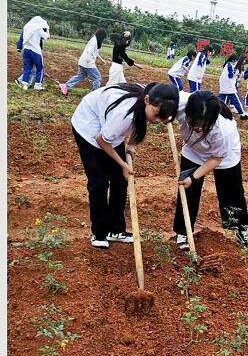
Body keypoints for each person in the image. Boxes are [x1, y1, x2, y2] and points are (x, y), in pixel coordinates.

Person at [70, 82, 179, 248]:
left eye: (162, 118)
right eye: (156, 115)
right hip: (89, 126)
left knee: (120, 180)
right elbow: (102, 140)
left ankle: (116, 229)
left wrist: (129, 145)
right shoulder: (124, 114)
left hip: (108, 125)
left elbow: (135, 122)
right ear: (147, 100)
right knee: (99, 182)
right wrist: (122, 164)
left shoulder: (152, 97)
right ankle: (99, 233)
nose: (157, 120)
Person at [172, 90, 248, 250]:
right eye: (193, 123)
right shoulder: (181, 104)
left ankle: (241, 229)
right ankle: (183, 232)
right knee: (187, 190)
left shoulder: (223, 130)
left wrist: (194, 176)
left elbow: (216, 159)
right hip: (194, 150)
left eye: (202, 125)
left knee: (232, 192)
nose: (197, 128)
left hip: (224, 156)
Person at [60, 29, 107, 95]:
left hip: (82, 61)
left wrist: (102, 59)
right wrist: (88, 60)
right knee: (97, 77)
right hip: (88, 63)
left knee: (81, 75)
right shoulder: (94, 41)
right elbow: (89, 51)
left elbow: (95, 52)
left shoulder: (94, 39)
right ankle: (94, 94)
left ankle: (66, 85)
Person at [15, 15, 50, 91]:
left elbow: (21, 37)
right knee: (40, 69)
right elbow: (47, 37)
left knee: (27, 68)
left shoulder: (26, 28)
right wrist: (47, 29)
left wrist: (19, 47)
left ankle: (24, 85)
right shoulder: (38, 29)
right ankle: (37, 85)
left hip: (26, 50)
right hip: (35, 51)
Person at [218, 53, 246, 118]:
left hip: (224, 85)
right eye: (236, 61)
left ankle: (219, 113)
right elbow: (230, 75)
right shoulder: (230, 65)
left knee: (222, 100)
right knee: (236, 100)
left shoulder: (227, 64)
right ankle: (242, 114)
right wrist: (237, 74)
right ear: (233, 60)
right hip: (229, 86)